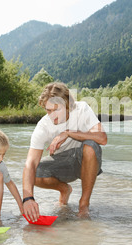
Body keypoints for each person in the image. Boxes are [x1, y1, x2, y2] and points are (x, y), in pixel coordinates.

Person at [22, 82, 107, 220]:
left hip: (86, 161)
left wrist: (69, 133)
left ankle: (83, 204)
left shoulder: (82, 109)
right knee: (34, 173)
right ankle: (64, 189)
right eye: (48, 110)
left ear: (67, 105)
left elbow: (102, 138)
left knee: (91, 145)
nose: (51, 115)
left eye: (56, 109)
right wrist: (28, 198)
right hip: (62, 164)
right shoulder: (43, 126)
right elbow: (30, 163)